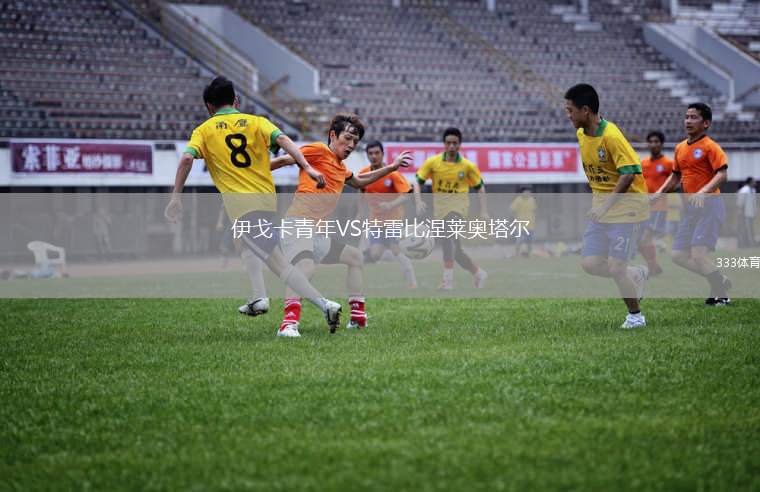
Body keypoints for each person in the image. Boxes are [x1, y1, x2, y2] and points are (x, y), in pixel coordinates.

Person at [164, 76, 342, 337]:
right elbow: (284, 140)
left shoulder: (204, 130)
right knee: (244, 243)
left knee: (279, 265)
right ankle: (259, 297)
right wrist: (307, 166)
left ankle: (325, 306)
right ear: (236, 100)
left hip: (243, 206)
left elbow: (186, 160)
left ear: (209, 106)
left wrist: (175, 198)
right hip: (266, 202)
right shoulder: (257, 122)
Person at [270, 114, 412, 335]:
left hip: (318, 233)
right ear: (333, 135)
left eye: (355, 141)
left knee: (355, 257)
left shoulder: (341, 167)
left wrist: (392, 167)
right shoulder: (318, 150)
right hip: (298, 224)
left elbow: (360, 181)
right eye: (347, 138)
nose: (351, 145)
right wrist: (250, 174)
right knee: (304, 268)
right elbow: (282, 161)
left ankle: (357, 318)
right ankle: (288, 324)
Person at [564, 83, 650, 329]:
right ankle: (636, 273)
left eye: (570, 110)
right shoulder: (582, 135)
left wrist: (604, 206)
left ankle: (636, 316)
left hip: (626, 209)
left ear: (585, 110)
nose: (568, 116)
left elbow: (629, 173)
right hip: (601, 210)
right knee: (590, 263)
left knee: (616, 267)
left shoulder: (612, 136)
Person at [653, 103, 731, 306]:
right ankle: (720, 280)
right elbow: (675, 176)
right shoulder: (680, 148)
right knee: (678, 255)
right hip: (691, 209)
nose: (688, 121)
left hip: (710, 205)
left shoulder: (710, 146)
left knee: (699, 254)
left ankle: (722, 294)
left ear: (706, 123)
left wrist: (703, 191)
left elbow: (722, 174)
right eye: (687, 116)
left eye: (694, 117)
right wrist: (658, 194)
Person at [412, 127, 489, 290]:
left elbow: (480, 187)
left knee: (448, 236)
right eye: (448, 143)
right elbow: (417, 182)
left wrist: (484, 211)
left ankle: (447, 281)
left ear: (460, 144)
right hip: (440, 211)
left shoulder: (467, 166)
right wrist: (418, 201)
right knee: (456, 251)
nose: (452, 146)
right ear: (444, 144)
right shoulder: (433, 163)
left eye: (455, 143)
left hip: (458, 209)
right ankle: (478, 273)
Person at [358, 140, 417, 288]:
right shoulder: (364, 174)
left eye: (377, 153)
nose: (374, 156)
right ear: (367, 155)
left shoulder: (393, 174)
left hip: (394, 219)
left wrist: (390, 205)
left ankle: (412, 282)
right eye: (370, 153)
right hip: (376, 221)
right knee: (375, 254)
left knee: (395, 248)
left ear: (382, 154)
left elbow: (406, 195)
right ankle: (359, 271)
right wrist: (359, 214)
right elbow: (362, 194)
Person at [639, 131, 673, 276]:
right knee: (639, 240)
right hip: (643, 207)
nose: (653, 144)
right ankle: (654, 266)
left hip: (658, 207)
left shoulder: (668, 163)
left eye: (656, 141)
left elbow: (676, 182)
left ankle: (653, 267)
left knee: (645, 238)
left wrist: (661, 194)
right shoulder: (643, 163)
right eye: (651, 141)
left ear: (661, 144)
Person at [509, 187, 537, 257]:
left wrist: (534, 218)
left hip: (530, 224)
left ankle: (529, 254)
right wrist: (515, 218)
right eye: (526, 192)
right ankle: (517, 254)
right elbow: (512, 210)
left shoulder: (532, 200)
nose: (527, 193)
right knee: (519, 240)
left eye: (529, 192)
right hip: (520, 224)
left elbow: (534, 210)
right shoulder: (518, 200)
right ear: (522, 193)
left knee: (530, 241)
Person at [736, 177, 757, 248]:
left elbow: (754, 203)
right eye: (754, 181)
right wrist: (740, 212)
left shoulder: (753, 190)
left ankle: (750, 243)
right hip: (744, 214)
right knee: (744, 229)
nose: (755, 183)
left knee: (750, 229)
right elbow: (740, 202)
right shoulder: (744, 190)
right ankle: (744, 244)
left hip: (751, 213)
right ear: (750, 182)